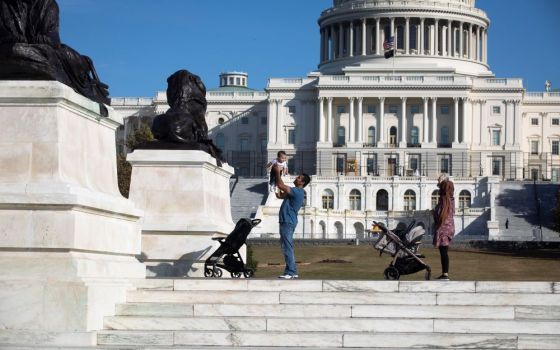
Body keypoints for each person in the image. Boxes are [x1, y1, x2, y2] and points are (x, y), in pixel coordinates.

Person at [273, 163, 311, 279]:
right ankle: (290, 271)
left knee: (287, 247)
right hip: (288, 221)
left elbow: (280, 185)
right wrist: (278, 178)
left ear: (302, 183)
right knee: (286, 246)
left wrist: (276, 171)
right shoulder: (296, 192)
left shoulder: (297, 191)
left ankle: (291, 272)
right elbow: (280, 195)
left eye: (299, 178)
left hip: (287, 221)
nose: (296, 178)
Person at [432, 177, 455, 280]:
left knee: (443, 251)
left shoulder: (444, 200)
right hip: (450, 227)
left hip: (443, 228)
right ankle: (445, 273)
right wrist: (440, 183)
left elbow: (439, 214)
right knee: (444, 250)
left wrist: (434, 213)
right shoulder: (451, 199)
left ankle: (445, 274)